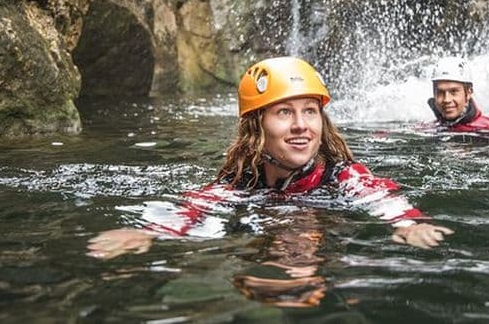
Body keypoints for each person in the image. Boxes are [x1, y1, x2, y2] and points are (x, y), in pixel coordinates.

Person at [88, 56, 453, 260]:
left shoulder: (341, 175)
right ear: (256, 125)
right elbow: (197, 205)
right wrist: (150, 231)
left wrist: (408, 222)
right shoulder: (242, 179)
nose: (301, 126)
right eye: (283, 113)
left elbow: (378, 194)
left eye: (310, 112)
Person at [426, 56, 489, 134]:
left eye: (454, 92)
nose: (446, 99)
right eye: (440, 92)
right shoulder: (427, 129)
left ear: (468, 93)